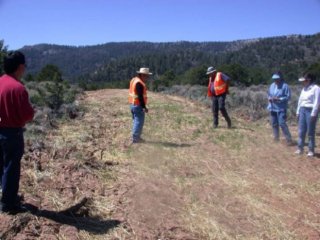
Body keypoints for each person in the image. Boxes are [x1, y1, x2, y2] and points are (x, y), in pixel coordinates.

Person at [0, 51, 35, 214]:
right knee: (11, 169)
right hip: (12, 134)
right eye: (24, 67)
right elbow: (28, 115)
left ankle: (5, 196)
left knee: (1, 166)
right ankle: (9, 204)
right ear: (20, 67)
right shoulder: (18, 88)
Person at [295, 73, 320, 157]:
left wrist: (314, 113)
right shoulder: (304, 89)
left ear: (309, 80)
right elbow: (300, 100)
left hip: (310, 110)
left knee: (310, 131)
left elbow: (317, 102)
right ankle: (300, 148)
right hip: (302, 109)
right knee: (301, 130)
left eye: (304, 80)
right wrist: (298, 111)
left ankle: (311, 150)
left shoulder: (316, 88)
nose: (303, 82)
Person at [267, 72, 293, 144]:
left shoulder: (285, 86)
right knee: (274, 123)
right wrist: (270, 98)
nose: (275, 80)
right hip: (273, 107)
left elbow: (288, 96)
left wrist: (279, 99)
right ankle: (276, 138)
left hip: (281, 108)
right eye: (274, 79)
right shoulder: (272, 85)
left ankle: (289, 139)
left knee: (282, 123)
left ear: (280, 78)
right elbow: (268, 94)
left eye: (277, 79)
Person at [128, 67, 152, 143]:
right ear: (142, 75)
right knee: (139, 122)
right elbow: (140, 96)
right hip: (138, 105)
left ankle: (136, 137)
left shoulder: (134, 80)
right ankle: (135, 138)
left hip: (132, 104)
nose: (147, 78)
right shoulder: (139, 83)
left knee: (136, 121)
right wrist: (144, 107)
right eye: (146, 76)